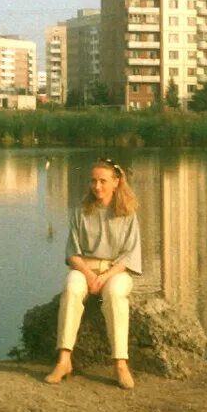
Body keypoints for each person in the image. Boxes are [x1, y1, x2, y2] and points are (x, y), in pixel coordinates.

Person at [44, 158, 141, 390]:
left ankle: (120, 364)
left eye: (103, 181)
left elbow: (129, 256)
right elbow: (73, 253)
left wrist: (105, 277)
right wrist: (89, 275)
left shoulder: (127, 213)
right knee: (71, 288)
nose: (97, 186)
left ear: (116, 182)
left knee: (116, 294)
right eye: (93, 181)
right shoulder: (81, 211)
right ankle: (64, 360)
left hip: (116, 271)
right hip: (85, 268)